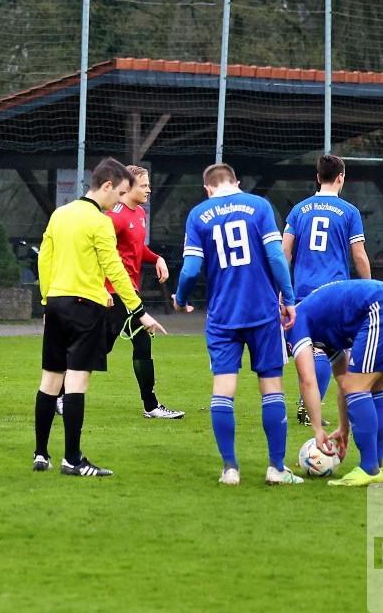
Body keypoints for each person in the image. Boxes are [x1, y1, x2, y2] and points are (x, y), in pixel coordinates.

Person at [32, 159, 164, 477]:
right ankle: (73, 459)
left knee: (50, 381)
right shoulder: (100, 222)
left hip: (57, 304)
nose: (119, 201)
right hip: (86, 308)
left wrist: (46, 301)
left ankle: (40, 453)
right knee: (76, 382)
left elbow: (45, 261)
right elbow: (115, 270)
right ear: (106, 186)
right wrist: (139, 311)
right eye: (118, 193)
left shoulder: (60, 214)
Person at [173, 162, 302, 486]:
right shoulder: (259, 206)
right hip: (261, 312)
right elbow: (275, 257)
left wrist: (180, 297)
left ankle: (230, 469)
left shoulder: (198, 214)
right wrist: (288, 299)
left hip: (222, 315)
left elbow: (190, 270)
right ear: (237, 183)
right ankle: (276, 468)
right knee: (271, 386)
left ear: (208, 188)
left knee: (223, 389)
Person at [286, 279, 383, 487]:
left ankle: (369, 468)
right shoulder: (320, 325)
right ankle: (376, 467)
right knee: (374, 388)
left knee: (358, 387)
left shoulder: (293, 324)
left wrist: (317, 430)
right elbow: (343, 379)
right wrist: (344, 428)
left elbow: (308, 381)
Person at [282, 154, 371, 425]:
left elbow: (284, 251)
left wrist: (280, 288)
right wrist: (369, 289)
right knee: (327, 348)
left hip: (302, 291)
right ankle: (309, 409)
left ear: (318, 177)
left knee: (315, 346)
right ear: (341, 177)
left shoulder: (299, 210)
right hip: (334, 292)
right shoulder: (349, 211)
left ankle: (307, 406)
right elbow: (359, 255)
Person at [104, 164, 184, 419]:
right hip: (115, 292)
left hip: (129, 292)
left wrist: (157, 258)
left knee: (139, 345)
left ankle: (150, 405)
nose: (149, 189)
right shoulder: (114, 216)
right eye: (144, 185)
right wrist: (101, 288)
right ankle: (61, 394)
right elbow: (98, 252)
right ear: (127, 186)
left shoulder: (138, 213)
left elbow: (136, 250)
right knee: (99, 347)